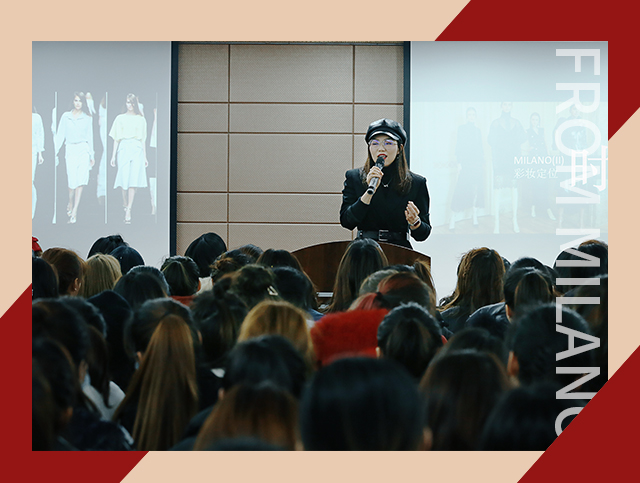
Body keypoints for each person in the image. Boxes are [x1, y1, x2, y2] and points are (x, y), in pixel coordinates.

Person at [340, 118, 432, 249]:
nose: (381, 148)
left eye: (388, 143)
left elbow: (423, 234)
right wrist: (368, 193)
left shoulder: (416, 183)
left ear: (400, 148)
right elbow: (347, 222)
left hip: (399, 250)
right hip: (364, 250)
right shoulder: (354, 177)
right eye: (375, 143)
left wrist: (415, 222)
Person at [54, 92, 95, 224]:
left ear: (83, 103)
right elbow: (60, 135)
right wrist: (55, 152)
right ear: (73, 101)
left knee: (81, 181)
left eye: (80, 101)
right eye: (76, 100)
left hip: (83, 149)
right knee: (72, 182)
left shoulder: (87, 117)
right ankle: (70, 202)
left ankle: (75, 211)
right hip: (70, 149)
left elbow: (90, 137)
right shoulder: (66, 116)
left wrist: (92, 155)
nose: (78, 103)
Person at [109, 93, 148, 224]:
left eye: (132, 103)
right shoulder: (119, 118)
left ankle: (129, 209)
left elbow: (143, 140)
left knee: (133, 180)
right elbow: (116, 138)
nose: (130, 105)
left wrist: (145, 157)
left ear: (135, 104)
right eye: (128, 102)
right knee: (124, 179)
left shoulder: (141, 119)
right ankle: (125, 203)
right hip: (124, 148)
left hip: (136, 149)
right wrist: (113, 155)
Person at [32, 106, 45, 219]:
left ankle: (31, 213)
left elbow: (39, 135)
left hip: (32, 152)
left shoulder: (36, 117)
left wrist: (40, 153)